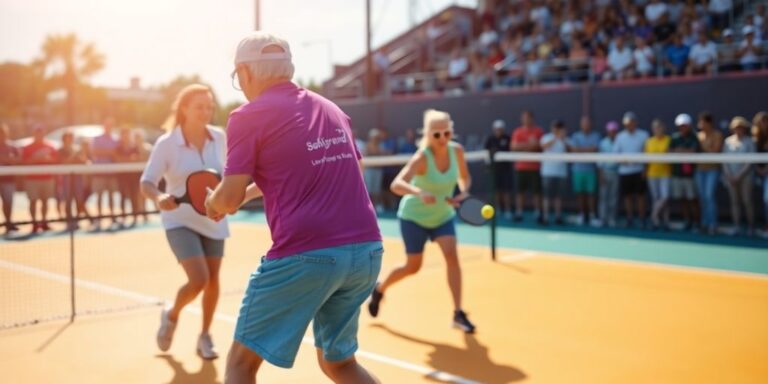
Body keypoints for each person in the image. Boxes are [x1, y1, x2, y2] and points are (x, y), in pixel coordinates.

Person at [204, 32, 382, 383]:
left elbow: (226, 198)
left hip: (307, 255)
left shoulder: (247, 116)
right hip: (367, 252)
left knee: (241, 365)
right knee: (340, 364)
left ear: (246, 72)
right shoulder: (331, 108)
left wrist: (214, 201)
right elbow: (345, 172)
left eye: (237, 75)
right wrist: (256, 192)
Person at [141, 84, 232, 360]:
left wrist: (229, 200)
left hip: (214, 218)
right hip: (179, 220)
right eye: (199, 107)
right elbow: (147, 182)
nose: (206, 112)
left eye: (209, 106)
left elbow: (228, 175)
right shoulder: (167, 143)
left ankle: (204, 336)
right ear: (184, 109)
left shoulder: (219, 137)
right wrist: (158, 197)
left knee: (213, 280)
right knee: (199, 279)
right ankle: (171, 315)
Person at [368, 109, 476, 333]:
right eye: (436, 135)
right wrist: (418, 192)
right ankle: (380, 289)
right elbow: (397, 184)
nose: (442, 139)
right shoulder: (422, 157)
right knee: (412, 267)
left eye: (446, 133)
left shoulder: (457, 152)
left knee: (452, 257)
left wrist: (463, 192)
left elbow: (464, 177)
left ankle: (458, 313)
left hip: (443, 216)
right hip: (413, 218)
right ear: (428, 135)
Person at [613, 112, 650, 228]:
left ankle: (642, 219)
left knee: (641, 196)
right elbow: (615, 155)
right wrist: (625, 162)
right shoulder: (620, 136)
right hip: (625, 172)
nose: (629, 125)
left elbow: (647, 153)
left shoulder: (644, 135)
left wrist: (644, 169)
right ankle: (629, 218)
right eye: (627, 124)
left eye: (631, 123)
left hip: (639, 171)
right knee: (627, 196)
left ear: (635, 123)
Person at [722, 116, 756, 236]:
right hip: (731, 177)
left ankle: (751, 227)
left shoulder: (750, 141)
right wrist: (729, 175)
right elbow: (724, 160)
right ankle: (736, 226)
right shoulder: (727, 141)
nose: (738, 130)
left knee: (747, 201)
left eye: (741, 127)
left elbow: (750, 160)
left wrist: (739, 175)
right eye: (736, 127)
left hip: (745, 177)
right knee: (734, 202)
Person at [22, 125, 58, 232]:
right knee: (33, 201)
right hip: (32, 179)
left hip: (47, 178)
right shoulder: (27, 147)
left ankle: (44, 222)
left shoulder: (50, 146)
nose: (39, 135)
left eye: (41, 133)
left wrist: (47, 159)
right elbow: (24, 162)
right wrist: (35, 159)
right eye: (37, 133)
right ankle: (34, 223)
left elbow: (56, 161)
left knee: (45, 201)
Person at [510, 110, 544, 223]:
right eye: (524, 117)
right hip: (521, 167)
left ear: (532, 119)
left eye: (528, 117)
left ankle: (538, 213)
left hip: (535, 167)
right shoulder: (517, 131)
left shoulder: (538, 131)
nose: (526, 120)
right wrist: (529, 145)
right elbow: (514, 147)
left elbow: (538, 147)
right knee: (520, 192)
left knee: (537, 192)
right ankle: (519, 212)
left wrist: (524, 146)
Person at [669, 113, 701, 231]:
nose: (682, 128)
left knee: (692, 199)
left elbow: (692, 151)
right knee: (682, 199)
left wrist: (679, 150)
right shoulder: (675, 137)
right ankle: (687, 221)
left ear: (689, 125)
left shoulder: (694, 137)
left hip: (690, 175)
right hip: (677, 173)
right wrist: (683, 151)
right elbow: (670, 151)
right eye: (680, 126)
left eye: (685, 125)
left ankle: (697, 223)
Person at [570, 116, 601, 226]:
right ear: (581, 125)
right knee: (580, 194)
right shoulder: (575, 136)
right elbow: (574, 150)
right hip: (578, 170)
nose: (586, 125)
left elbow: (595, 149)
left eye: (588, 123)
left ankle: (592, 216)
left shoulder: (596, 136)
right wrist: (588, 150)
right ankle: (582, 215)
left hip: (591, 170)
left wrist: (580, 150)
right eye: (584, 123)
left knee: (591, 194)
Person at [695, 111, 723, 235]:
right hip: (700, 170)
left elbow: (715, 152)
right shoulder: (698, 136)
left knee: (709, 196)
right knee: (702, 198)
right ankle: (704, 223)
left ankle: (713, 224)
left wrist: (702, 146)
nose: (700, 124)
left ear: (709, 122)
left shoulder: (717, 135)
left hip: (713, 170)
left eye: (702, 122)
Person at [57, 131, 91, 230]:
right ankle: (69, 221)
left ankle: (77, 220)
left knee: (79, 199)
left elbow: (84, 161)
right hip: (66, 178)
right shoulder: (61, 150)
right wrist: (73, 155)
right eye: (68, 138)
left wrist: (83, 152)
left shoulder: (77, 149)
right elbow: (64, 162)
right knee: (68, 200)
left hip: (77, 178)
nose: (70, 140)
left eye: (71, 137)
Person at [91, 117, 120, 229]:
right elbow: (95, 152)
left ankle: (113, 216)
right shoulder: (97, 139)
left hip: (112, 173)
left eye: (110, 125)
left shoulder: (115, 139)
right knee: (99, 196)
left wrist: (109, 153)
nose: (108, 127)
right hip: (99, 172)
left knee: (112, 196)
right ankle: (98, 218)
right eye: (107, 125)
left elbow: (116, 154)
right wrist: (110, 152)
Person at [540, 120, 569, 225]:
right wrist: (556, 138)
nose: (556, 129)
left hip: (561, 173)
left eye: (559, 127)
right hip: (547, 172)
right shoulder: (547, 137)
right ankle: (546, 217)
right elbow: (543, 146)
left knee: (558, 196)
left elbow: (571, 150)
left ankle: (558, 216)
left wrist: (563, 139)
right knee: (546, 196)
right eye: (555, 127)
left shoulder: (565, 139)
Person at [644, 119, 672, 230]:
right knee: (656, 198)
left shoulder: (669, 140)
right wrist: (645, 171)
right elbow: (645, 158)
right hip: (652, 173)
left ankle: (655, 216)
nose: (657, 130)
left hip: (665, 173)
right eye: (655, 128)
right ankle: (658, 222)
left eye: (659, 127)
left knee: (665, 197)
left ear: (663, 128)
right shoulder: (649, 141)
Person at [484, 119, 513, 219]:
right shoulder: (490, 139)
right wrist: (488, 167)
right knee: (495, 191)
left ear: (503, 129)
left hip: (506, 169)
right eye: (497, 129)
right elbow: (486, 154)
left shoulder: (508, 138)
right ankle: (498, 209)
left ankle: (508, 210)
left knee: (506, 191)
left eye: (500, 129)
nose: (498, 131)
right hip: (494, 170)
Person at [115, 128, 140, 226]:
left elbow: (136, 158)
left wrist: (125, 159)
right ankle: (123, 216)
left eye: (127, 134)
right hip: (122, 176)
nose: (126, 137)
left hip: (133, 176)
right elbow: (117, 159)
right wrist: (129, 159)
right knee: (123, 196)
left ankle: (135, 216)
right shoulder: (118, 148)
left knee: (134, 196)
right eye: (124, 134)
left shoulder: (134, 147)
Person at [598, 121, 620, 227]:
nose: (612, 133)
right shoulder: (603, 143)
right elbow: (600, 160)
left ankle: (612, 219)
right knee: (604, 197)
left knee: (613, 197)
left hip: (616, 172)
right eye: (611, 131)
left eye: (614, 131)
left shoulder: (620, 142)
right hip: (605, 172)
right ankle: (603, 219)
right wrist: (601, 174)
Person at [0, 123, 20, 233]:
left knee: (8, 201)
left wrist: (5, 159)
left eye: (3, 133)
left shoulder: (12, 146)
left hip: (8, 180)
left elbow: (18, 160)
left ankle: (8, 222)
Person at [752, 112, 768, 233]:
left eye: (765, 121)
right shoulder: (756, 138)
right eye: (760, 122)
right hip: (761, 173)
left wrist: (765, 169)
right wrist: (759, 169)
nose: (763, 124)